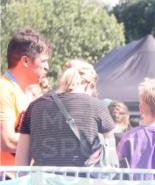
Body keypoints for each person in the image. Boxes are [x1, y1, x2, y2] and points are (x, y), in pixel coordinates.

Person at [15, 61, 116, 167]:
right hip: (83, 181)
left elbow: (21, 159)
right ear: (89, 85)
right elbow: (110, 156)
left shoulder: (34, 106)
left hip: (43, 181)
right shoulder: (98, 106)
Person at [2, 29, 50, 166]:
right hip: (6, 181)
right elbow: (7, 141)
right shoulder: (4, 89)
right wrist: (51, 143)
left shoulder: (30, 92)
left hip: (19, 179)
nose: (47, 67)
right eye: (44, 61)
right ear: (26, 61)